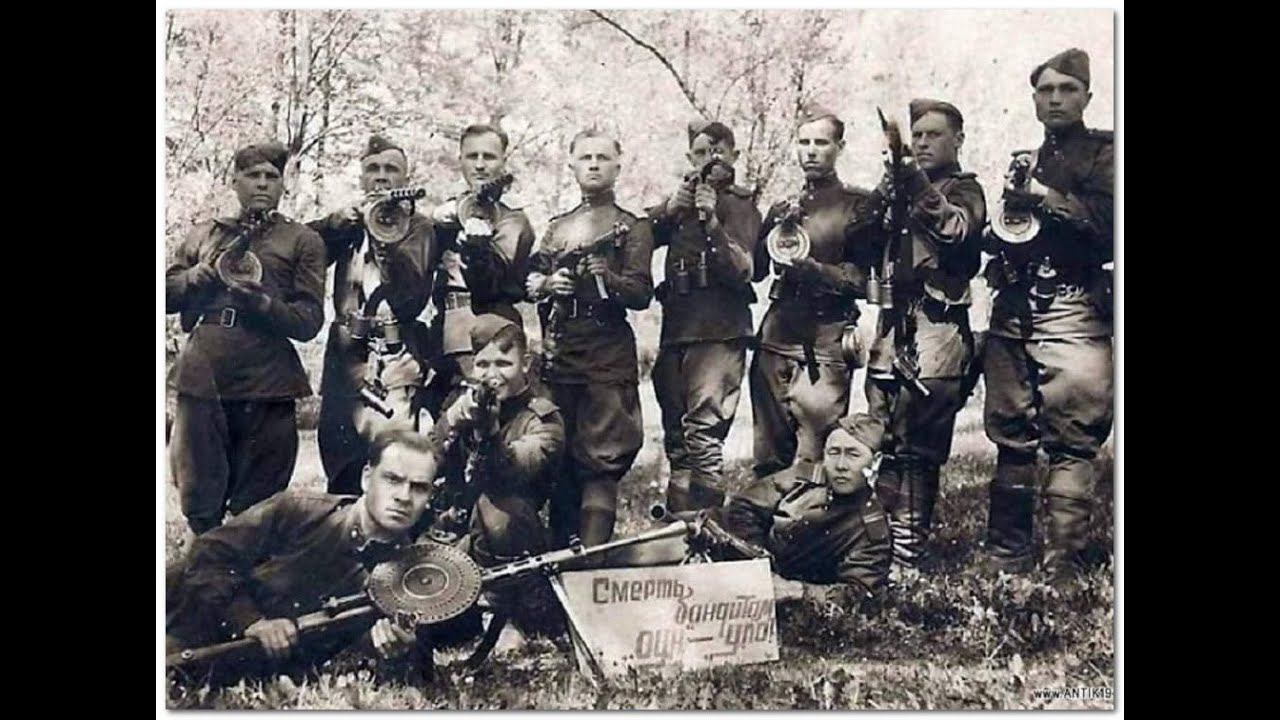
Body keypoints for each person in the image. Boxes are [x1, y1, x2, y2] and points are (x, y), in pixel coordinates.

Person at [981, 48, 1114, 581]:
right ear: (1034, 100)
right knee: (1010, 430)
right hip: (1016, 309)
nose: (1055, 99)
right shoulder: (1027, 159)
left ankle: (1062, 565)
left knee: (1073, 435)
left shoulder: (1107, 154)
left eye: (1067, 89)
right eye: (1045, 90)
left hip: (1074, 306)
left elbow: (1107, 227)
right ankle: (1006, 557)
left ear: (1087, 97)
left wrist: (1039, 196)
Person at [166, 429, 440, 672]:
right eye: (392, 479)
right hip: (182, 613)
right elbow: (208, 554)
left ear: (429, 497)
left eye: (418, 487)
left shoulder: (410, 578)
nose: (403, 496)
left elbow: (411, 663)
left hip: (227, 663)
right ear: (367, 478)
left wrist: (397, 652)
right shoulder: (300, 511)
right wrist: (252, 622)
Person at [166, 141, 326, 535]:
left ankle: (247, 561)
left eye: (272, 176)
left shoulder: (302, 240)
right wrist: (194, 277)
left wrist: (264, 304)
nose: (262, 183)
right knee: (199, 492)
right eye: (253, 175)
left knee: (260, 501)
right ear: (234, 181)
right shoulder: (205, 233)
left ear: (283, 185)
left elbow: (309, 321)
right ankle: (204, 559)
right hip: (206, 373)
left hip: (267, 378)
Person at [863, 99, 986, 569]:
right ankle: (876, 549)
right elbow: (858, 240)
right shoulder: (899, 191)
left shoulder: (966, 190)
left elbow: (956, 231)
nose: (922, 142)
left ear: (959, 140)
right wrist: (885, 190)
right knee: (881, 441)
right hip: (891, 329)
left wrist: (913, 181)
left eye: (934, 134)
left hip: (937, 330)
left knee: (918, 450)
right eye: (916, 135)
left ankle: (906, 554)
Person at [526, 129, 655, 549]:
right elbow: (532, 278)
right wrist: (550, 284)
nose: (594, 164)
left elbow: (641, 292)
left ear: (618, 166)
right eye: (586, 157)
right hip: (561, 352)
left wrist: (608, 278)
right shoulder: (557, 227)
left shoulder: (632, 227)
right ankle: (558, 563)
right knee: (559, 457)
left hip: (606, 352)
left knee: (601, 461)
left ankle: (593, 562)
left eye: (603, 157)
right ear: (572, 165)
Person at [750, 102, 881, 480]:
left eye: (821, 143)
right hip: (776, 340)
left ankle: (808, 518)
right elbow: (757, 271)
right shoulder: (783, 206)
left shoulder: (858, 206)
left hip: (825, 344)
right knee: (769, 459)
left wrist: (815, 271)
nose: (810, 151)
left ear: (840, 147)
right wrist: (772, 228)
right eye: (804, 142)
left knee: (814, 458)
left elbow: (862, 281)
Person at [308, 134, 436, 495]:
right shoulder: (348, 225)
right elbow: (301, 249)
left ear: (406, 179)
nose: (381, 176)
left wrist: (384, 235)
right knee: (339, 456)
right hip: (345, 351)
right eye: (373, 169)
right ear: (361, 178)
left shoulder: (420, 227)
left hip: (395, 349)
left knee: (391, 457)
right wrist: (334, 224)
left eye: (391, 169)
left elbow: (410, 295)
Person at [647, 120, 761, 512]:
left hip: (718, 332)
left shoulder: (740, 204)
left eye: (718, 152)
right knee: (678, 441)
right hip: (677, 329)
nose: (709, 160)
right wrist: (669, 210)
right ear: (688, 157)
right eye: (700, 153)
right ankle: (681, 527)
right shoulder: (678, 206)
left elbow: (743, 269)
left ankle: (709, 526)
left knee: (703, 437)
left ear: (734, 156)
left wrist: (711, 221)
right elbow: (637, 235)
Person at [428, 314, 565, 631]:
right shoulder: (461, 402)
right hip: (457, 531)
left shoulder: (542, 419)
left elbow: (509, 474)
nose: (492, 375)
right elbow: (425, 461)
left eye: (504, 364)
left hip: (510, 540)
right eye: (482, 364)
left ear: (526, 363)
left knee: (498, 509)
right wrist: (451, 421)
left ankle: (504, 616)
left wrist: (489, 433)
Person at [719, 411, 892, 598]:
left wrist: (798, 591)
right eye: (834, 453)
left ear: (876, 461)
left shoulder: (871, 530)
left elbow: (858, 591)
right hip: (737, 555)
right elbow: (744, 505)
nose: (841, 465)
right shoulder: (803, 478)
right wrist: (757, 562)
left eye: (853, 455)